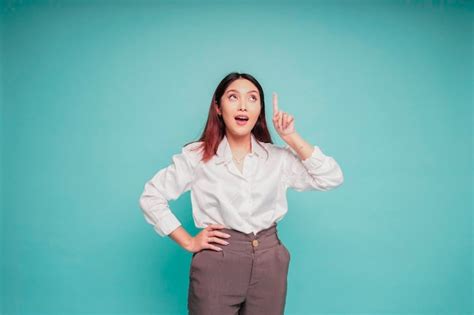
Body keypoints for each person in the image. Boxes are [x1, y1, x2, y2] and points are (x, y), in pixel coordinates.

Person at [139, 72, 344, 315]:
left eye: (253, 98)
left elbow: (331, 177)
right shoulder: (197, 156)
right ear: (218, 107)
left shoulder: (277, 158)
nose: (243, 106)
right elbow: (151, 196)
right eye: (233, 97)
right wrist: (188, 241)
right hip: (218, 261)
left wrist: (290, 137)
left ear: (260, 110)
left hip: (270, 262)